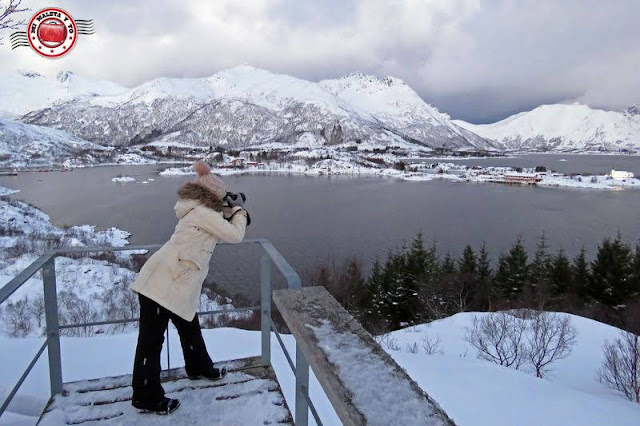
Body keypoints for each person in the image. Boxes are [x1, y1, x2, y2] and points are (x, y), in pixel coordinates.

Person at [129, 161, 250, 414]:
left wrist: (226, 211)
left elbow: (216, 222)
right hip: (161, 284)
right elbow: (235, 235)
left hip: (176, 282)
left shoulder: (198, 210)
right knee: (151, 343)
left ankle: (199, 368)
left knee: (190, 328)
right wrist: (239, 213)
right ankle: (145, 395)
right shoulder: (203, 213)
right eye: (222, 196)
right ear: (213, 196)